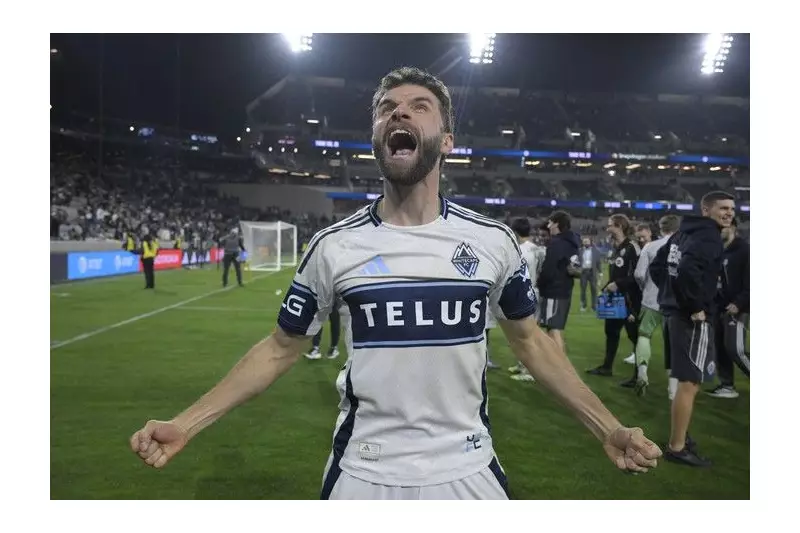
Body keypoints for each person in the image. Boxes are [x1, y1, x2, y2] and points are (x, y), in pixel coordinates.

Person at [130, 66, 661, 499]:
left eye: (418, 106)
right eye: (387, 108)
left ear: (446, 141)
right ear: (377, 138)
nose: (399, 112)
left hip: (469, 467)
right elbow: (278, 350)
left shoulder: (492, 241)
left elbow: (533, 345)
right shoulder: (334, 246)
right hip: (363, 471)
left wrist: (606, 428)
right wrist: (188, 423)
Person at [649, 190, 734, 467]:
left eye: (732, 209)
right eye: (723, 208)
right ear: (705, 209)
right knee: (690, 382)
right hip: (691, 318)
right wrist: (694, 304)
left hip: (674, 313)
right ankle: (677, 446)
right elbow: (686, 270)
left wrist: (670, 296)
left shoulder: (681, 233)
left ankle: (681, 435)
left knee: (686, 379)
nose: (729, 213)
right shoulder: (708, 235)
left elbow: (659, 265)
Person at [587, 214, 641, 387]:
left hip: (629, 299)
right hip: (613, 297)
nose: (607, 228)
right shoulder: (613, 247)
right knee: (611, 332)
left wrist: (619, 283)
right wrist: (607, 286)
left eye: (609, 225)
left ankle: (639, 376)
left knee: (635, 337)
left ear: (619, 226)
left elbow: (639, 276)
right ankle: (606, 367)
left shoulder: (632, 247)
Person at [632, 214, 680, 396]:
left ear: (660, 229)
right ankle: (672, 390)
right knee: (673, 345)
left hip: (651, 300)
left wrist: (646, 288)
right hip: (674, 303)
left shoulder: (651, 247)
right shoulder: (684, 246)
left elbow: (639, 274)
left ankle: (642, 373)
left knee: (644, 336)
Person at [708, 217, 750, 398]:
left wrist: (739, 302)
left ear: (733, 227)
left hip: (737, 307)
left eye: (721, 228)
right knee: (720, 347)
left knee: (735, 349)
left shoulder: (745, 250)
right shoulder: (718, 251)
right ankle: (727, 386)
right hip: (718, 306)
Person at [536, 210, 581, 355]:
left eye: (550, 222)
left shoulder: (557, 243)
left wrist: (540, 283)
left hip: (554, 291)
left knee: (553, 329)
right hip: (565, 289)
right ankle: (559, 364)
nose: (548, 226)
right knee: (555, 328)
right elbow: (575, 267)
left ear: (557, 223)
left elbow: (548, 268)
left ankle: (561, 366)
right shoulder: (572, 242)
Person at [508, 216, 546, 382]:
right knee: (521, 334)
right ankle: (522, 364)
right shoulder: (536, 249)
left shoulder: (519, 250)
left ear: (515, 232)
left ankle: (530, 371)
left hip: (524, 293)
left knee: (527, 335)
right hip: (533, 291)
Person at [578, 236, 603, 313]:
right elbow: (577, 261)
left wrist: (600, 272)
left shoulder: (596, 251)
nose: (585, 243)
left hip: (592, 272)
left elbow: (598, 262)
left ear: (590, 242)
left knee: (594, 290)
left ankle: (594, 306)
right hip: (583, 272)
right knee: (583, 290)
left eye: (587, 241)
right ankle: (583, 306)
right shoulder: (579, 251)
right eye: (584, 242)